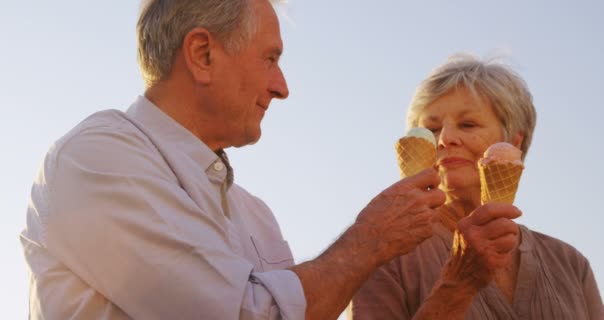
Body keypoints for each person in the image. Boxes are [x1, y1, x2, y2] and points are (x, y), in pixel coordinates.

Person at [19, 0, 449, 319]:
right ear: (203, 55)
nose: (282, 87)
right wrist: (369, 242)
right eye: (270, 58)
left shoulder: (255, 214)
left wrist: (458, 280)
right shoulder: (96, 157)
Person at [349, 54, 604, 319]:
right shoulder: (385, 252)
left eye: (467, 124)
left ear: (514, 142)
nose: (445, 139)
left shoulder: (570, 264)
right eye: (433, 129)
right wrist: (457, 286)